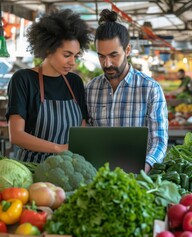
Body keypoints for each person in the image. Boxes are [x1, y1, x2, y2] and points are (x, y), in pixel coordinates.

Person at [85, 9, 168, 173]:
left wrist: (142, 169)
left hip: (137, 177)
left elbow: (159, 141)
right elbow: (86, 135)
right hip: (98, 176)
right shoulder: (90, 89)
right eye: (101, 56)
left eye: (113, 55)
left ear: (127, 50)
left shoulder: (150, 89)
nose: (107, 63)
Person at [6, 9, 91, 163]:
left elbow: (82, 130)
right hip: (32, 169)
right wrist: (58, 149)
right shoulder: (23, 79)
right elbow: (16, 135)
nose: (72, 62)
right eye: (67, 55)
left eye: (75, 56)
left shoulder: (75, 82)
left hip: (68, 167)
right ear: (47, 49)